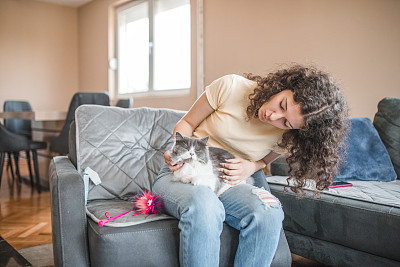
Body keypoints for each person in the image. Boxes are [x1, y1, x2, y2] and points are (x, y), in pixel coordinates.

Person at [152, 64, 348, 266]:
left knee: (269, 212)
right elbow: (187, 123)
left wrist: (250, 167)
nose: (273, 117)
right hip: (183, 176)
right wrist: (178, 151)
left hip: (228, 185)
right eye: (282, 105)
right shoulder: (231, 87)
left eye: (286, 123)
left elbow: (263, 162)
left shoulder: (289, 136)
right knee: (205, 204)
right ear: (285, 86)